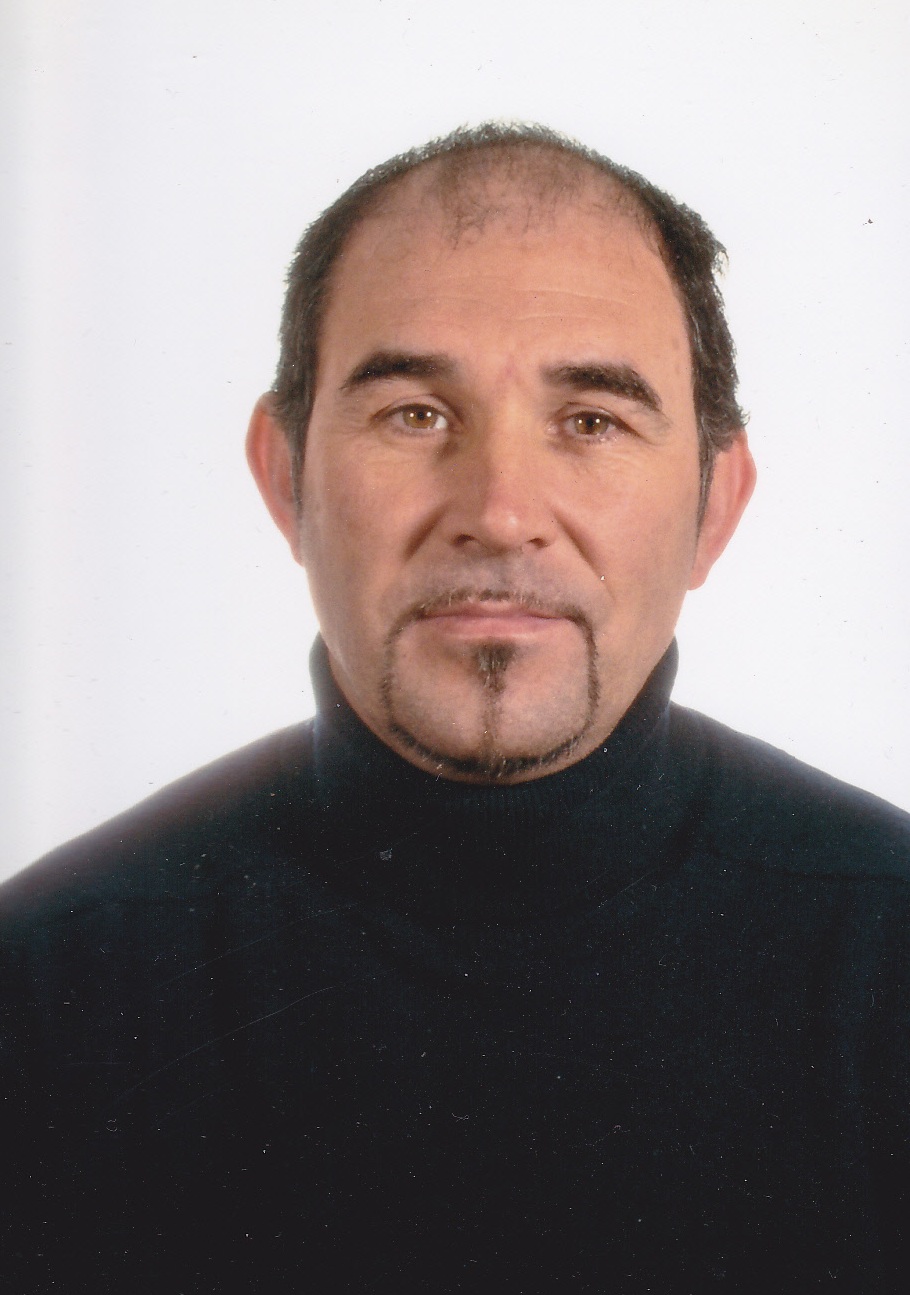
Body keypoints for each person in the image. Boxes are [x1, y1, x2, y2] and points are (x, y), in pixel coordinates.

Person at [1, 123, 908, 1294]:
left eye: (591, 420)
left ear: (714, 505)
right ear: (284, 478)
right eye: (415, 414)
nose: (499, 510)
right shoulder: (45, 989)